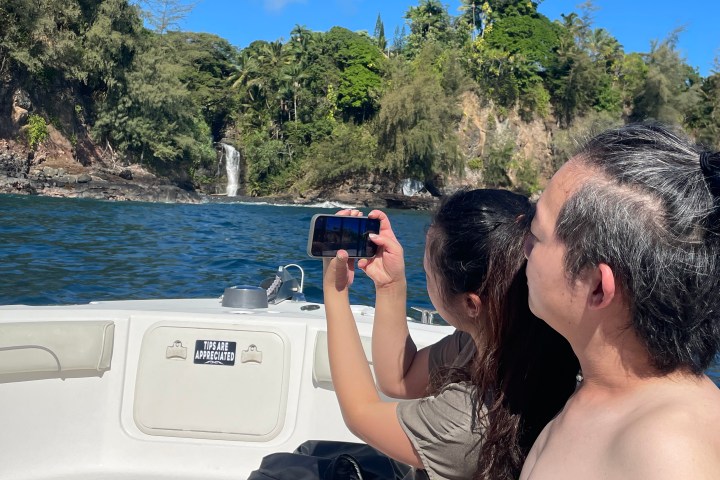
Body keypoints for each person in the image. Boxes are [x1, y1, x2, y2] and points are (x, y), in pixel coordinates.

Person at [323, 189, 579, 480]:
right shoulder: (504, 336)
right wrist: (390, 285)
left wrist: (335, 292)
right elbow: (400, 379)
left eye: (428, 273)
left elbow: (360, 414)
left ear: (471, 304)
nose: (424, 271)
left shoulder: (468, 422)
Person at [520, 123, 720, 480]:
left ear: (597, 287)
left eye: (536, 235)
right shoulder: (611, 389)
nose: (525, 248)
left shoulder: (667, 454)